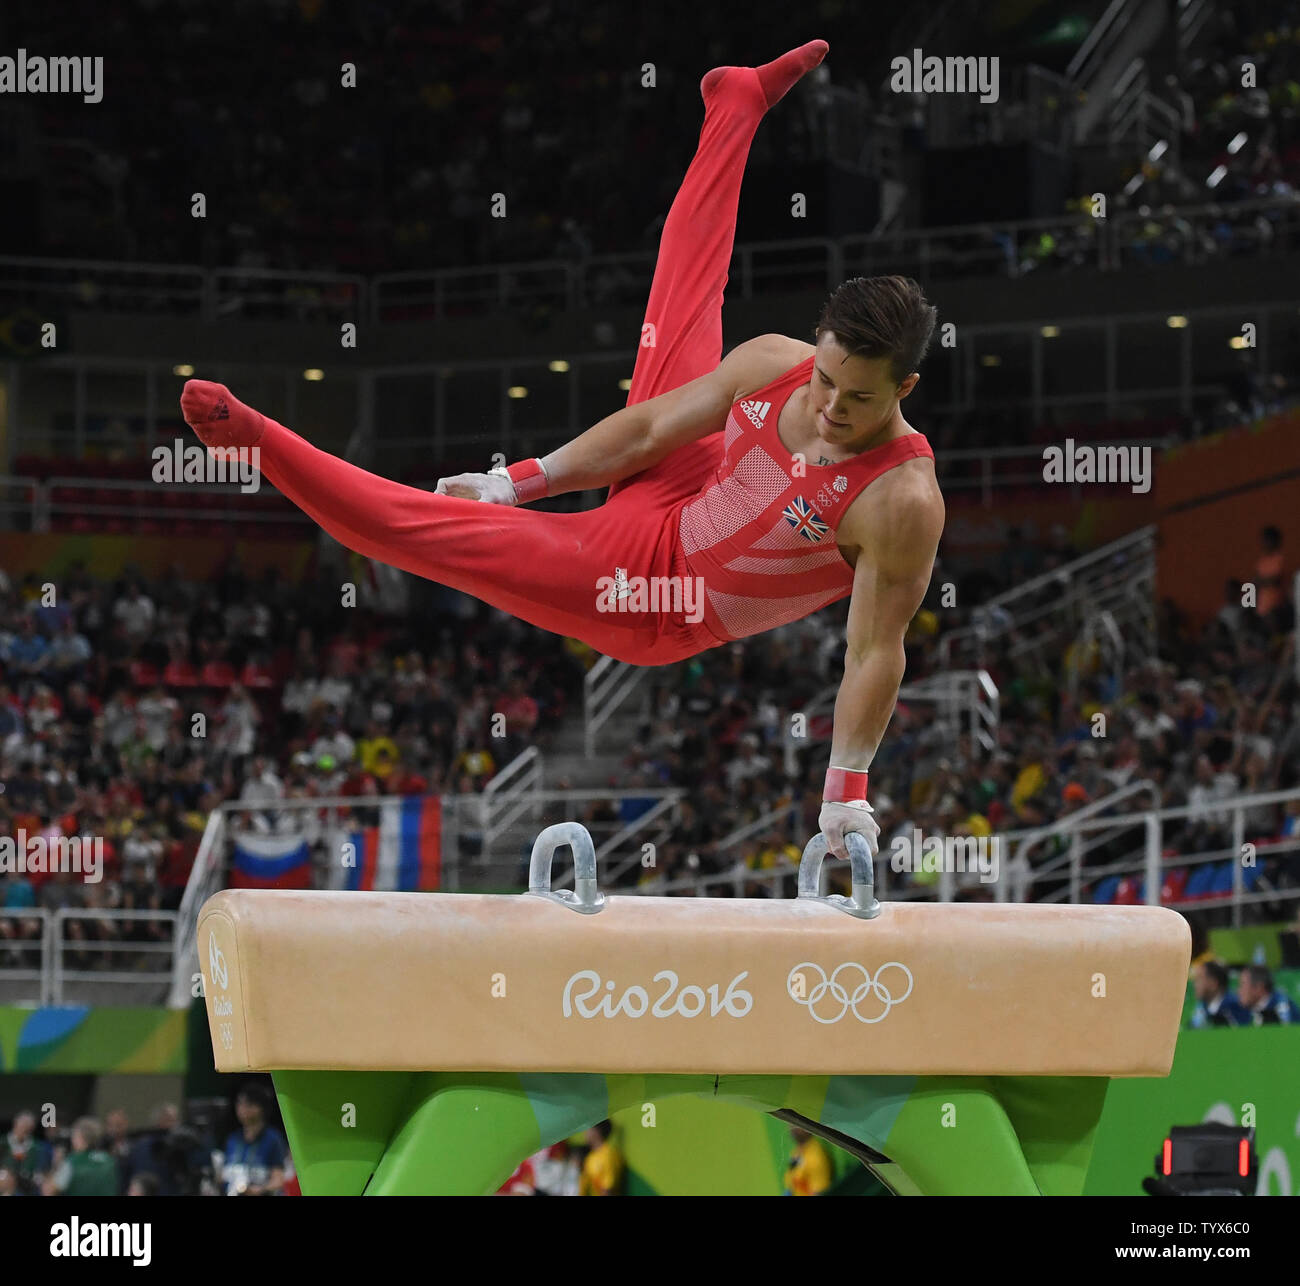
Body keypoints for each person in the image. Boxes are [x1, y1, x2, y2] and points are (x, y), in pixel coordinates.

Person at [180, 41, 944, 863]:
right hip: (684, 488)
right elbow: (649, 430)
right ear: (818, 347)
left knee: (434, 535)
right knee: (685, 293)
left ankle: (261, 443)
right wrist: (516, 483)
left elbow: (873, 651)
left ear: (904, 389)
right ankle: (734, 105)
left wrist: (844, 795)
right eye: (824, 379)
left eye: (857, 399)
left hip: (655, 596)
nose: (828, 407)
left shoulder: (900, 502)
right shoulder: (776, 365)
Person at [221, 1085, 287, 1195]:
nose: (242, 1108)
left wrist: (260, 1190)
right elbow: (223, 1175)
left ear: (261, 1108)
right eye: (240, 1103)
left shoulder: (273, 1139)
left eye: (248, 1104)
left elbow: (279, 1179)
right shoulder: (232, 1139)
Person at [1188, 960, 1251, 1028]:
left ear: (1213, 983)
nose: (1194, 985)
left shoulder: (1236, 1007)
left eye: (1199, 979)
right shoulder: (1202, 1008)